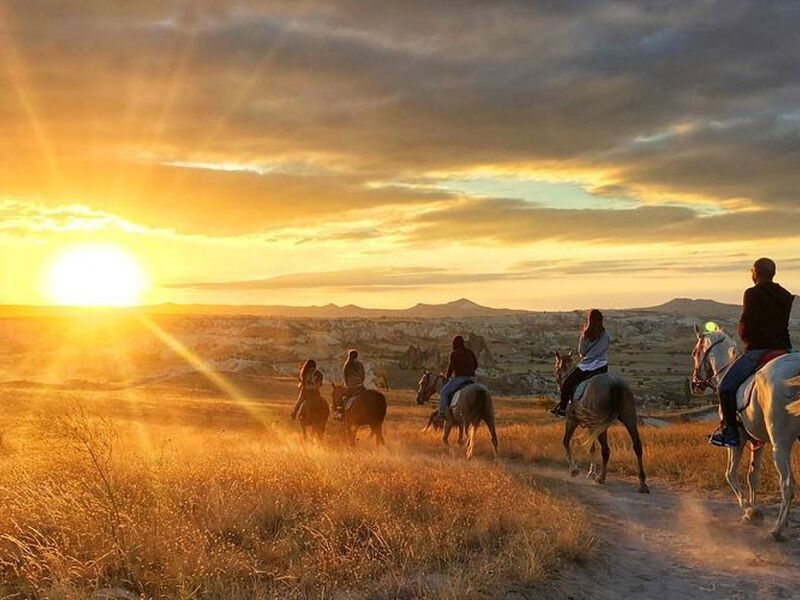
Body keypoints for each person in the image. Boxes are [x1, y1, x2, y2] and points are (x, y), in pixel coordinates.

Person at [709, 258, 794, 448]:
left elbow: (747, 325)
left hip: (759, 350)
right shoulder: (785, 295)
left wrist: (743, 336)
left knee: (725, 387)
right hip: (784, 350)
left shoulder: (752, 293)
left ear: (756, 273)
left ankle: (730, 433)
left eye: (752, 271)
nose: (751, 274)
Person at [551, 309, 610, 418]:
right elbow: (604, 350)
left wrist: (587, 356)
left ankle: (563, 409)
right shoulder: (606, 335)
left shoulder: (586, 334)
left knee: (567, 384)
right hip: (602, 367)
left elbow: (581, 351)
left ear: (589, 320)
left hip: (587, 366)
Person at [438, 335, 478, 419]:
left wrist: (447, 377)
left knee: (443, 393)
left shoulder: (454, 354)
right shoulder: (470, 352)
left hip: (460, 379)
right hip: (472, 379)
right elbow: (476, 365)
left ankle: (442, 413)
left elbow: (451, 367)